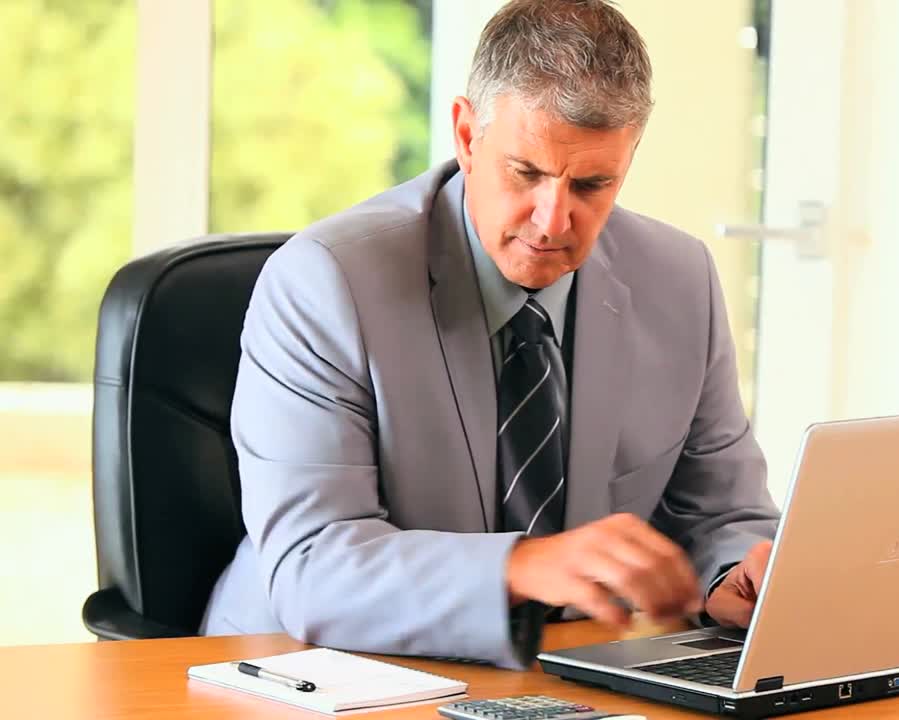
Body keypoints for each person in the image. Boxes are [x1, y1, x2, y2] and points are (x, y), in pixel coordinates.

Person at [201, 0, 778, 669]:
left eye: (592, 184)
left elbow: (722, 513)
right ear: (467, 134)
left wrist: (732, 576)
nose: (553, 219)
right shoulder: (325, 282)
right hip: (305, 671)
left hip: (562, 672)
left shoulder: (679, 281)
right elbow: (311, 564)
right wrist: (522, 566)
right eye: (526, 173)